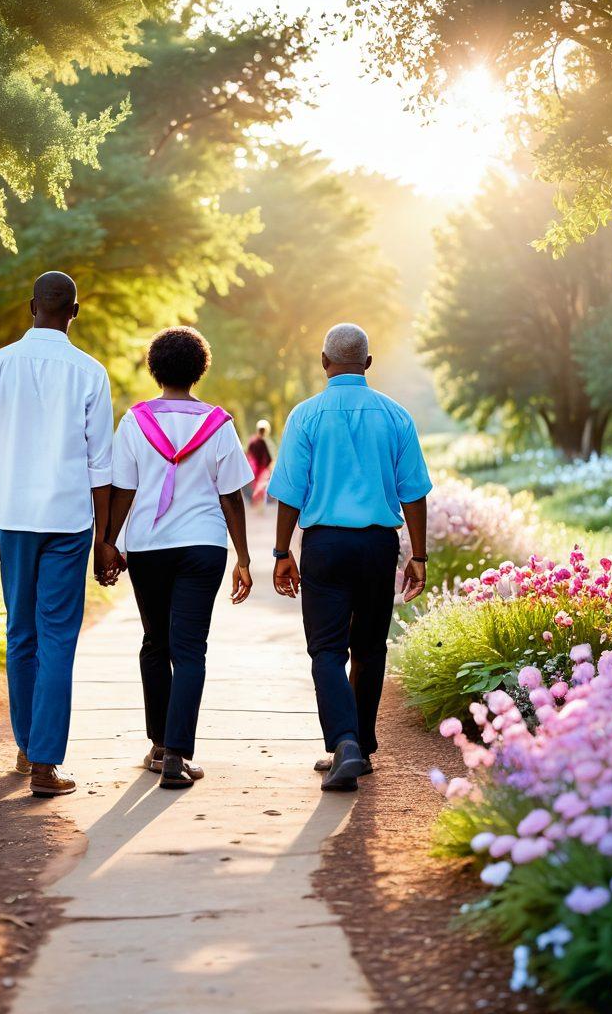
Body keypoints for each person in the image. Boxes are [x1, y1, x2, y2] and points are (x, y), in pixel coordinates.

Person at [0, 271, 120, 799]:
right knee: (58, 638)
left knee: (21, 633)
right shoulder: (90, 372)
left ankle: (28, 746)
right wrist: (105, 538)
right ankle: (45, 765)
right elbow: (102, 462)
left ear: (31, 307)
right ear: (74, 312)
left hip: (10, 515)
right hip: (69, 520)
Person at [268, 323, 431, 792]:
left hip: (325, 546)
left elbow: (290, 493)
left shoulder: (306, 416)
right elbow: (414, 492)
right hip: (378, 546)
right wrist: (418, 555)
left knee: (326, 648)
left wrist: (282, 551)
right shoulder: (395, 415)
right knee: (370, 647)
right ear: (368, 363)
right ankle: (359, 744)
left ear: (324, 363)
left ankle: (345, 743)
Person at [103, 327, 253, 789]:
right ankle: (177, 753)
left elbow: (122, 489)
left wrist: (108, 542)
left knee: (155, 642)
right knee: (189, 649)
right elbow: (232, 498)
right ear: (200, 369)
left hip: (148, 546)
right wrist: (243, 559)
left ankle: (159, 744)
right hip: (203, 546)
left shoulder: (134, 422)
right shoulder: (219, 424)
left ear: (155, 368)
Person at [246, 419, 274, 504]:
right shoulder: (261, 442)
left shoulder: (254, 441)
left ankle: (257, 506)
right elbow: (269, 458)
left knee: (258, 489)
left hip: (257, 470)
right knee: (259, 490)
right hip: (259, 470)